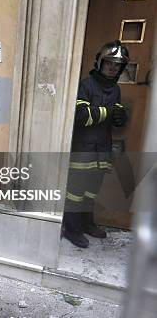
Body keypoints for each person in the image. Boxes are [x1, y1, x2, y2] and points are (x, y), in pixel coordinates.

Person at [63, 40, 129, 248]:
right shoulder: (86, 85)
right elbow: (81, 116)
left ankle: (86, 224)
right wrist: (109, 113)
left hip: (102, 150)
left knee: (91, 191)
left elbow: (113, 116)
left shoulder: (115, 89)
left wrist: (120, 118)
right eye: (109, 62)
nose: (112, 67)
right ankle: (72, 229)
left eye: (117, 65)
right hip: (83, 149)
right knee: (76, 192)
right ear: (100, 62)